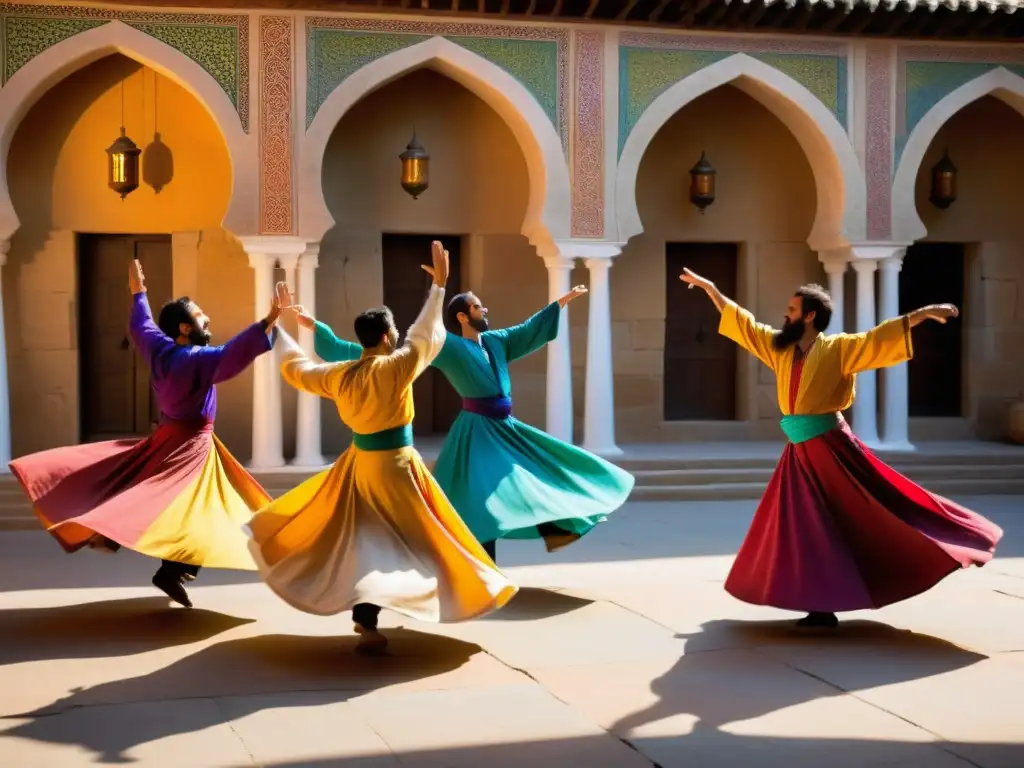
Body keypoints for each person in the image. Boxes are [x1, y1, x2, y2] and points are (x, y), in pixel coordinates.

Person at [680, 270, 1003, 628]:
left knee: (859, 513)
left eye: (791, 309)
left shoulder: (839, 349)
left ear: (810, 316)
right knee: (804, 525)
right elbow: (744, 324)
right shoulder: (780, 348)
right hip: (800, 450)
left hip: (831, 447)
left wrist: (921, 313)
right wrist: (712, 290)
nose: (785, 315)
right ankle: (817, 601)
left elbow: (877, 339)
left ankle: (954, 540)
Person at [246, 241, 517, 653]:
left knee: (365, 539)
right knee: (425, 538)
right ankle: (450, 593)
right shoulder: (397, 366)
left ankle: (367, 619)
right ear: (387, 336)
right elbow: (424, 335)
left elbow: (296, 368)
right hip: (397, 469)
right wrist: (440, 287)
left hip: (358, 467)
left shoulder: (340, 375)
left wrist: (276, 329)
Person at [9, 260, 284, 608]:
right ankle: (166, 564)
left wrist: (139, 292)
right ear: (184, 328)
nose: (207, 320)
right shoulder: (197, 359)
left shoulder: (158, 349)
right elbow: (231, 355)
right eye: (200, 317)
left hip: (167, 438)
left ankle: (135, 547)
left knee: (157, 496)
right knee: (200, 506)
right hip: (190, 447)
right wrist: (269, 319)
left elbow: (141, 324)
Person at [298, 289, 635, 562]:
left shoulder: (497, 341)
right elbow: (390, 354)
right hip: (477, 433)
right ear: (462, 316)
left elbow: (527, 330)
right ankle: (486, 563)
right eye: (478, 306)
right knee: (484, 496)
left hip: (506, 428)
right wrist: (320, 332)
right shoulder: (449, 346)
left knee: (539, 473)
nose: (484, 309)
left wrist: (558, 305)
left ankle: (554, 529)